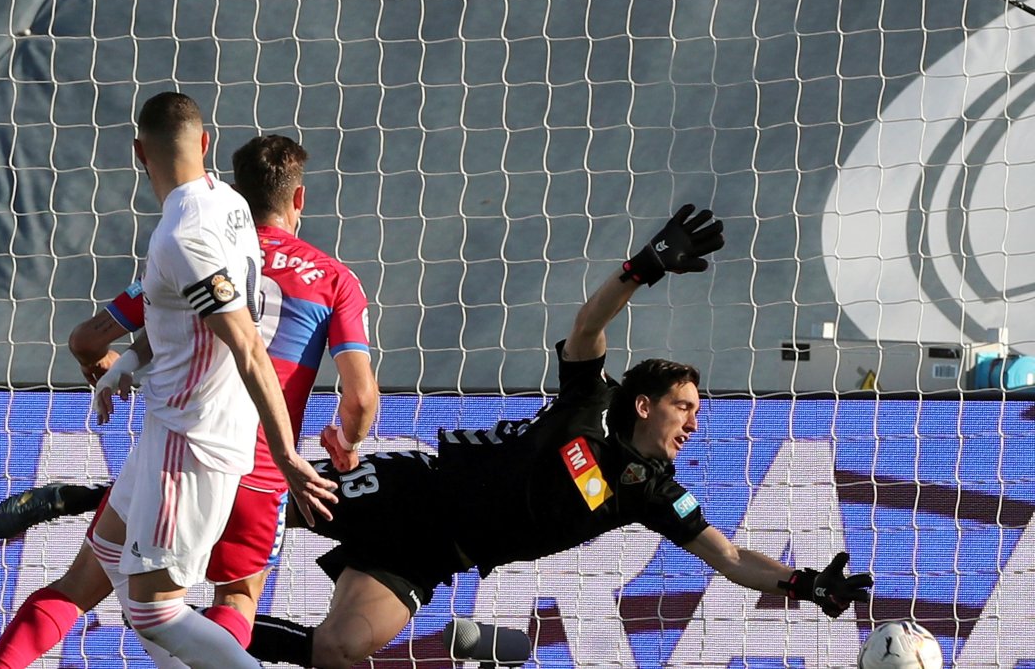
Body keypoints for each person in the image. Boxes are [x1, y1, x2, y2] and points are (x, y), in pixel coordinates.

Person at [241, 205, 873, 668]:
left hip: (435, 556)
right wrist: (643, 267)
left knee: (337, 649)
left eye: (696, 411)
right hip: (414, 491)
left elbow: (731, 559)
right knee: (238, 513)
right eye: (683, 406)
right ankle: (157, 572)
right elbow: (588, 324)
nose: (694, 421)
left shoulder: (652, 493)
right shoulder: (590, 400)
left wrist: (805, 583)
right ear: (644, 404)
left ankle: (187, 625)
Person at [0, 133, 377, 668]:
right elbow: (360, 396)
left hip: (179, 444)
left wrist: (116, 370)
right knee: (231, 600)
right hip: (258, 466)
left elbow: (90, 337)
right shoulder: (334, 280)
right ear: (298, 199)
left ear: (236, 191)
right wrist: (346, 442)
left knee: (81, 588)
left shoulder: (201, 247)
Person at [87, 92, 337, 668]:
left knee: (155, 610)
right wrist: (129, 364)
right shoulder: (228, 203)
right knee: (108, 548)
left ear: (136, 154)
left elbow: (247, 342)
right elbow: (181, 318)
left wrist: (287, 455)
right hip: (168, 422)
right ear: (205, 144)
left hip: (193, 437)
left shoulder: (183, 238)